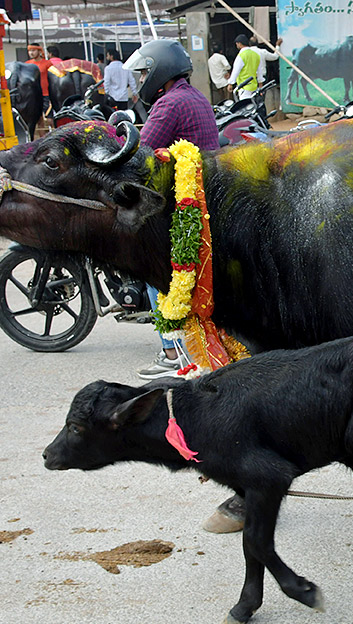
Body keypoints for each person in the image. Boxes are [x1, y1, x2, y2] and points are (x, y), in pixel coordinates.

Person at [123, 39, 219, 382]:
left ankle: (170, 351)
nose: (143, 78)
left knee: (152, 266)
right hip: (204, 194)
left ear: (161, 71)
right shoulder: (193, 97)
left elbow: (139, 155)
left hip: (182, 201)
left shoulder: (169, 105)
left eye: (146, 72)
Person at [227, 34, 280, 99]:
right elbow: (260, 70)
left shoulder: (241, 55)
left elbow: (236, 71)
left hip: (244, 87)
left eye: (237, 44)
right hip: (254, 86)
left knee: (245, 107)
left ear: (240, 44)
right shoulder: (256, 55)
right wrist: (260, 83)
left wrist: (230, 83)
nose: (236, 45)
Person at [25, 44, 53, 117]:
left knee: (49, 118)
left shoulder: (47, 63)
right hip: (32, 95)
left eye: (33, 50)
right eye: (29, 51)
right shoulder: (26, 64)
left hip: (45, 94)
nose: (31, 53)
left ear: (39, 51)